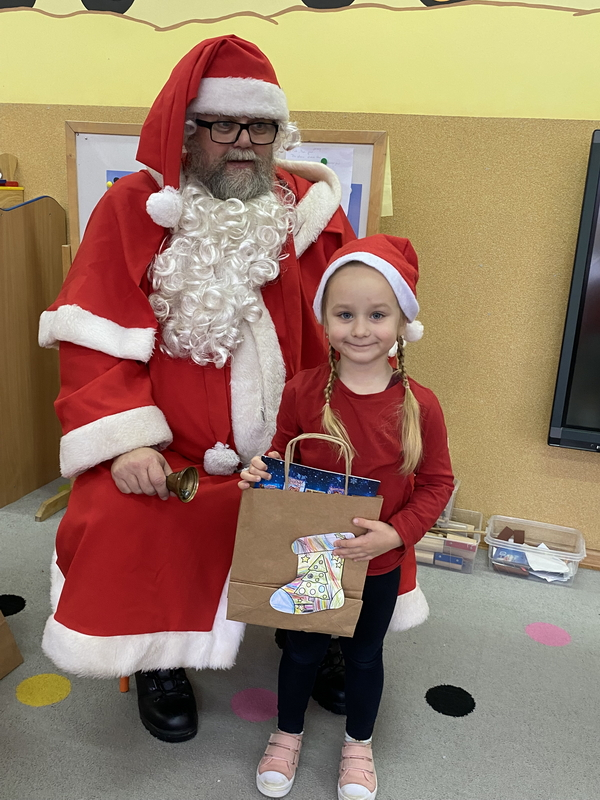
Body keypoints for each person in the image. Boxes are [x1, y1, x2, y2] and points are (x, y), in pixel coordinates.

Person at [37, 35, 356, 743]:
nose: (243, 142)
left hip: (288, 442)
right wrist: (127, 442)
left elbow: (359, 308)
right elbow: (93, 336)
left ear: (279, 132)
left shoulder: (310, 211)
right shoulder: (133, 208)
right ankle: (159, 655)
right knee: (122, 511)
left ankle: (310, 635)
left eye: (260, 126)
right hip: (172, 449)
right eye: (223, 124)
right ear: (186, 131)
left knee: (333, 494)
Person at [240, 234, 455, 799]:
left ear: (402, 321)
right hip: (314, 557)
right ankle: (286, 734)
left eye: (377, 314)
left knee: (363, 656)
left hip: (378, 563)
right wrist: (263, 471)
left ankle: (359, 744)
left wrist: (396, 534)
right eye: (345, 314)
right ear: (325, 319)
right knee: (302, 650)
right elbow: (283, 454)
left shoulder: (421, 406)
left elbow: (437, 484)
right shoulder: (302, 391)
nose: (360, 329)